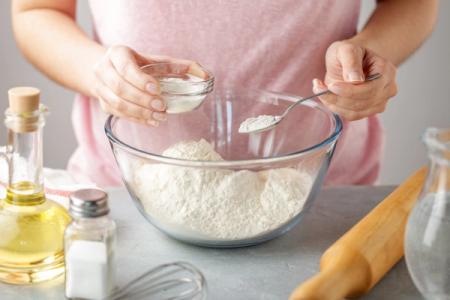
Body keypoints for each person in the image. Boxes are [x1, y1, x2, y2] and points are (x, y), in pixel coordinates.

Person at [11, 0, 438, 187]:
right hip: (127, 195)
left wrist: (371, 56)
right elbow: (36, 10)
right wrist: (97, 72)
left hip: (320, 194)